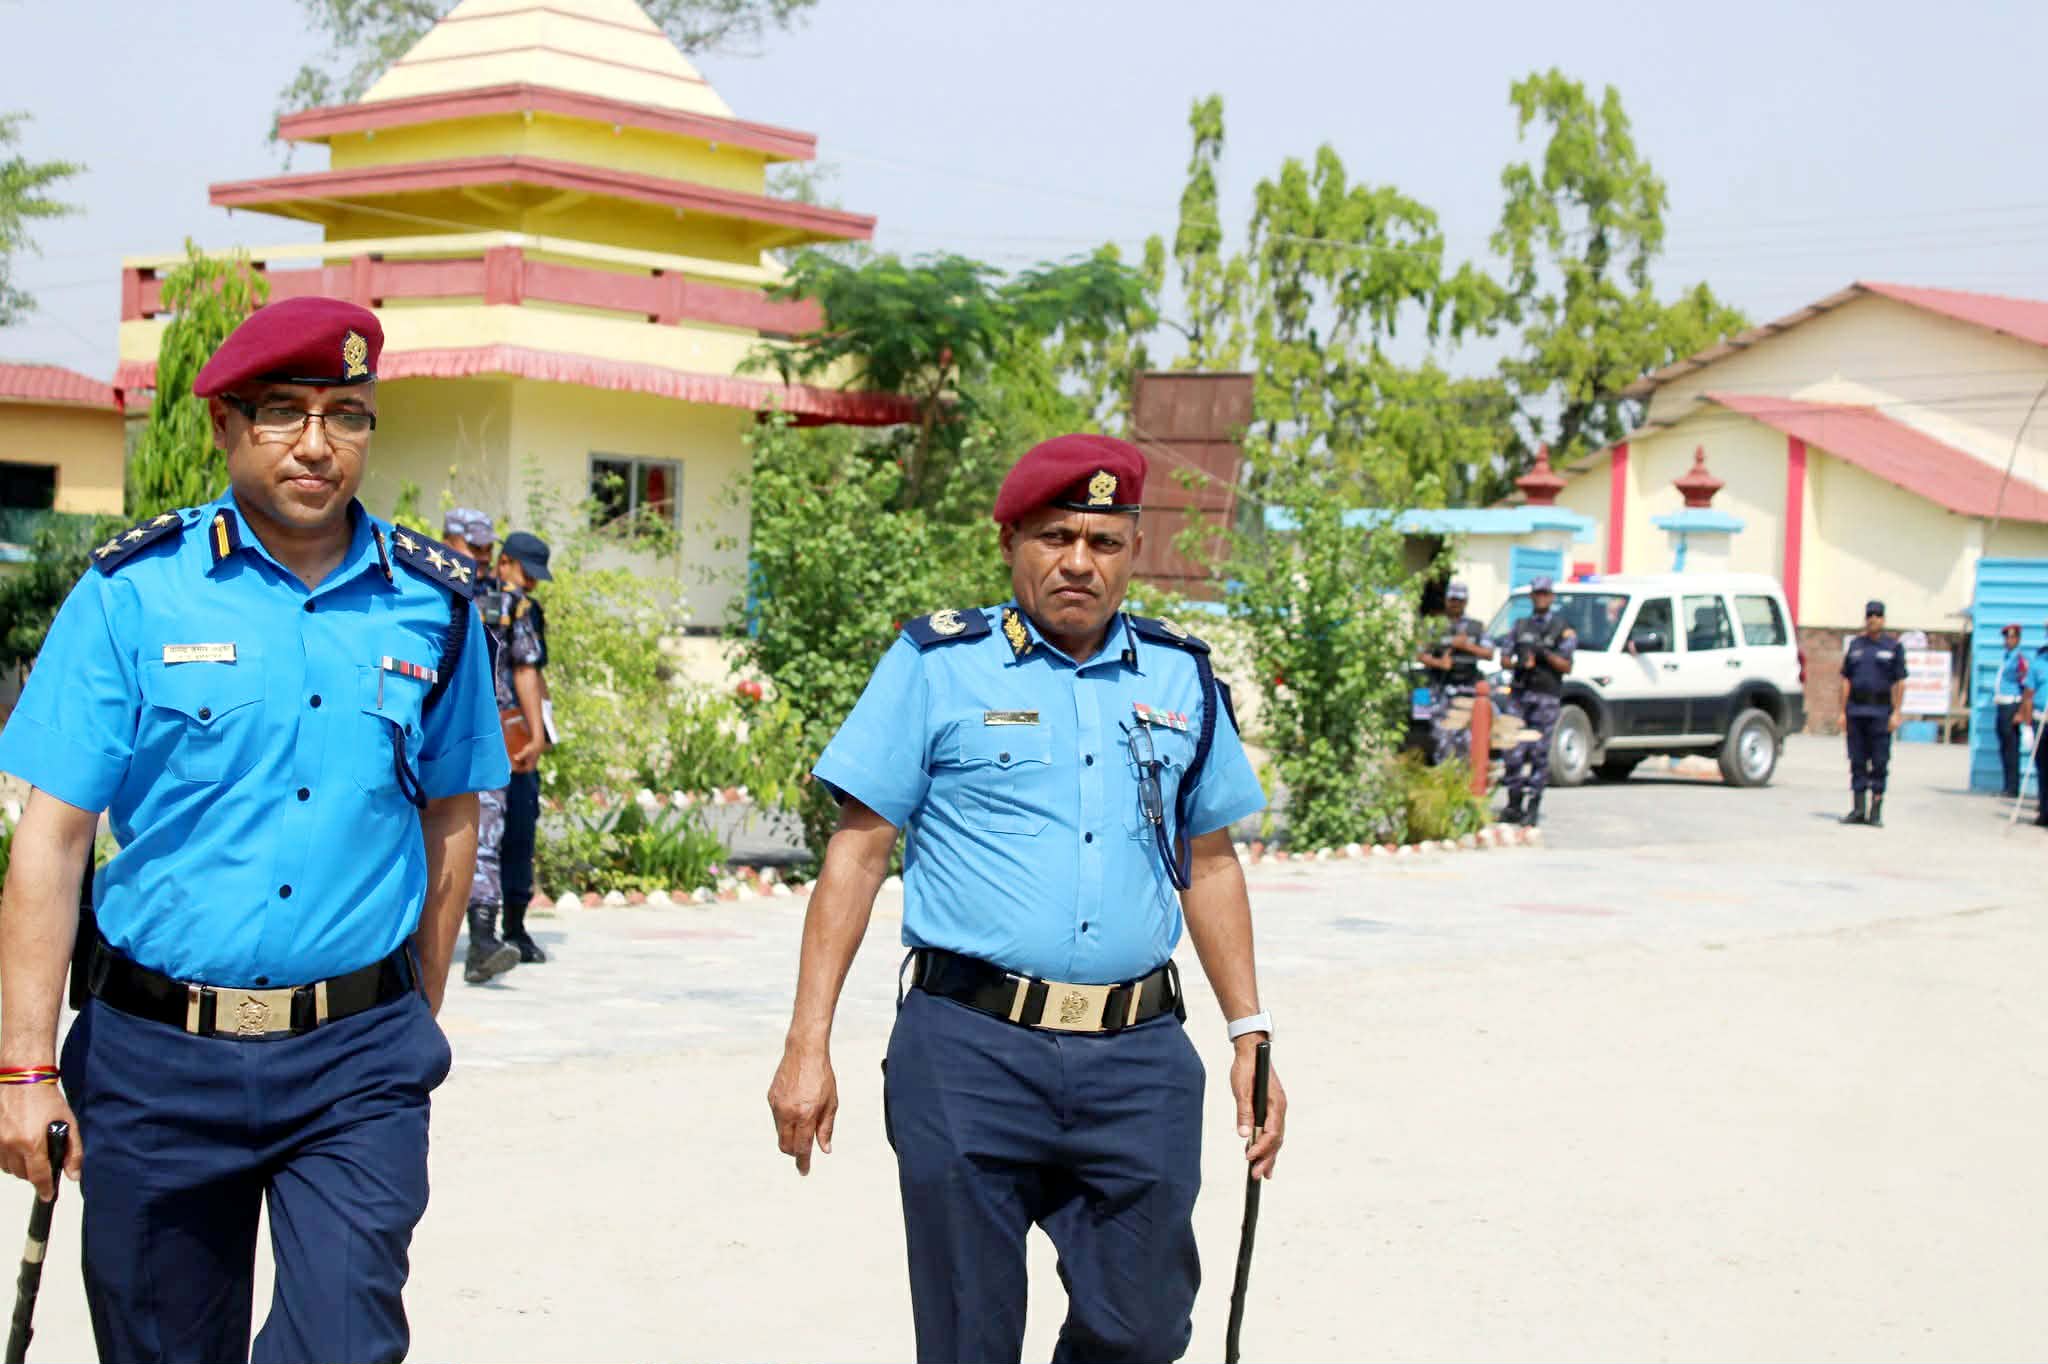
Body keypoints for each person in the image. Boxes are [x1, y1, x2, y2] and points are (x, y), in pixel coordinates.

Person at [0, 297, 507, 1363]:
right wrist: (25, 1068)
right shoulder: (133, 595)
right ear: (227, 426)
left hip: (355, 1059)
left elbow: (452, 814)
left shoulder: (436, 604)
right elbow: (51, 838)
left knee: (346, 1335)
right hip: (154, 1058)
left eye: (348, 414)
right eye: (283, 411)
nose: (318, 443)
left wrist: (415, 1012)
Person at [766, 433, 1286, 1364]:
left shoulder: (1181, 677)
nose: (1078, 562)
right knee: (970, 1338)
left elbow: (1209, 862)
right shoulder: (937, 665)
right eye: (1054, 537)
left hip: (1137, 1060)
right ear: (1011, 541)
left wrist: (1250, 1031)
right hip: (970, 1052)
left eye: (1104, 541)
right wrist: (809, 1044)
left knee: (1145, 1328)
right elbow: (857, 850)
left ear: (1132, 549)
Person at [493, 531, 553, 963]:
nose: (529, 584)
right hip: (512, 735)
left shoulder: (459, 596)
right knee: (517, 829)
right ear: (504, 562)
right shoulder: (522, 608)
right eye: (525, 573)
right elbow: (527, 673)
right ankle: (512, 928)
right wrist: (537, 734)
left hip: (472, 734)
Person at [1499, 576, 1576, 827]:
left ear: (1551, 597)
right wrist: (1520, 662)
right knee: (1512, 751)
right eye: (1537, 593)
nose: (1541, 597)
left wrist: (1544, 654)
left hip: (1546, 696)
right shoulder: (1520, 626)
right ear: (1532, 596)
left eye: (1545, 594)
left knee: (1539, 753)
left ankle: (1533, 805)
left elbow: (1566, 665)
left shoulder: (1561, 628)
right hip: (1521, 694)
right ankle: (1514, 802)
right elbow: (1504, 658)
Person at [1839, 600, 1908, 827]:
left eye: (1877, 615)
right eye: (1869, 615)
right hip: (1856, 711)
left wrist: (1897, 713)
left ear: (1883, 619)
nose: (1873, 619)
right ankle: (1858, 809)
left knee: (1879, 762)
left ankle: (1875, 811)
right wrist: (1842, 712)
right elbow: (1846, 680)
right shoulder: (1856, 645)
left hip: (1880, 713)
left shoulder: (1893, 647)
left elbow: (1899, 682)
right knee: (1857, 761)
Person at [1415, 581, 1494, 766]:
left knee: (1467, 738)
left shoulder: (1476, 627)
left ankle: (1464, 779)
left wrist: (1466, 646)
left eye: (1459, 600)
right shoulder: (1434, 626)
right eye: (1452, 600)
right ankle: (1445, 778)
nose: (1455, 604)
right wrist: (1438, 663)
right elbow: (1419, 653)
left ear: (1465, 602)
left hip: (1467, 688)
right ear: (1446, 601)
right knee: (1442, 737)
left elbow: (1489, 653)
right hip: (1441, 687)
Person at [1991, 623, 2031, 799]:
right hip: (2002, 705)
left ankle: (2013, 787)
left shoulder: (2019, 659)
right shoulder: (2006, 657)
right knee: (2004, 746)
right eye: (2006, 637)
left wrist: (2021, 712)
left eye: (2012, 637)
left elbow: (2026, 686)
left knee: (2011, 747)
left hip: (2012, 705)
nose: (2009, 640)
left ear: (2018, 639)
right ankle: (2007, 785)